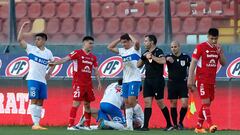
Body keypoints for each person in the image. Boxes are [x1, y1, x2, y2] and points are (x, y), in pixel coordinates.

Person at [49, 36, 102, 130]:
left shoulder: (93, 57)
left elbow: (96, 70)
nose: (92, 45)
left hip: (88, 84)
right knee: (76, 104)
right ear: (84, 43)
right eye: (90, 43)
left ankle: (87, 125)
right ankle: (70, 125)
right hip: (79, 83)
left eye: (93, 44)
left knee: (87, 105)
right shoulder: (77, 53)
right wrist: (55, 63)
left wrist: (99, 82)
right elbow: (65, 59)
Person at [187, 28, 226, 133]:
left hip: (212, 80)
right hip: (201, 79)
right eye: (212, 38)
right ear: (208, 37)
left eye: (216, 39)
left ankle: (198, 127)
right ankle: (211, 125)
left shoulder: (217, 48)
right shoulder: (200, 47)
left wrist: (220, 53)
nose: (214, 41)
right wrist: (190, 79)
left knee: (207, 103)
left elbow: (223, 63)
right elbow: (193, 63)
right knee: (205, 102)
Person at [17, 22, 55, 130]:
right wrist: (22, 28)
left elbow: (53, 63)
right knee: (34, 99)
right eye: (36, 39)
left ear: (44, 40)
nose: (36, 41)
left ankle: (37, 124)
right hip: (32, 79)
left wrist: (49, 73)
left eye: (38, 39)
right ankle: (35, 124)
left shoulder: (48, 52)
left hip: (42, 80)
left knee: (40, 101)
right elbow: (20, 40)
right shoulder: (31, 49)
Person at [76, 79, 144, 130]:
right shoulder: (130, 87)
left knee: (109, 126)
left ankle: (83, 120)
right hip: (113, 105)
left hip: (103, 103)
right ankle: (105, 122)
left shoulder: (112, 84)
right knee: (122, 126)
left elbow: (107, 94)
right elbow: (128, 104)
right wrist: (131, 119)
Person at [137, 34, 173, 131]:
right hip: (148, 80)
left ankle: (169, 124)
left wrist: (152, 56)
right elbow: (138, 65)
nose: (144, 43)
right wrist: (143, 57)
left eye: (146, 41)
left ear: (151, 42)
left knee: (160, 102)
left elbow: (163, 61)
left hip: (157, 80)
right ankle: (145, 126)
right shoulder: (146, 52)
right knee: (147, 102)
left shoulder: (158, 51)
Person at [107, 33, 142, 130]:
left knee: (132, 101)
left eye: (125, 42)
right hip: (126, 80)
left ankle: (143, 121)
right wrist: (119, 38)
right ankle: (129, 126)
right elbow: (109, 47)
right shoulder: (122, 51)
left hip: (134, 79)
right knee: (126, 103)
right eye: (122, 43)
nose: (123, 44)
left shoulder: (135, 49)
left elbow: (137, 42)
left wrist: (130, 35)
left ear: (130, 41)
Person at [166, 41, 191, 130]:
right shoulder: (168, 57)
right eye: (172, 47)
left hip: (183, 83)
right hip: (172, 83)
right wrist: (166, 60)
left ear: (179, 47)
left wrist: (191, 81)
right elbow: (160, 62)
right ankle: (175, 124)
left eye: (175, 47)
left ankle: (180, 122)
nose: (173, 49)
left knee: (184, 104)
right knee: (173, 104)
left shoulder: (186, 57)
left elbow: (191, 69)